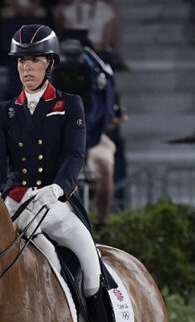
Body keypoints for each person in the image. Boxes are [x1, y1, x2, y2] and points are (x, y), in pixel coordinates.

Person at [0, 24, 129, 322]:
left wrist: (57, 188)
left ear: (49, 63)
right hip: (16, 203)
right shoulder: (5, 112)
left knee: (91, 268)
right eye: (21, 61)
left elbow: (76, 155)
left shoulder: (69, 105)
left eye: (33, 60)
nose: (26, 68)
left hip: (56, 203)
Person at [51, 37, 118, 221]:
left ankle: (103, 222)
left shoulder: (99, 77)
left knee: (105, 170)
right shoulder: (47, 74)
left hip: (94, 135)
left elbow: (109, 115)